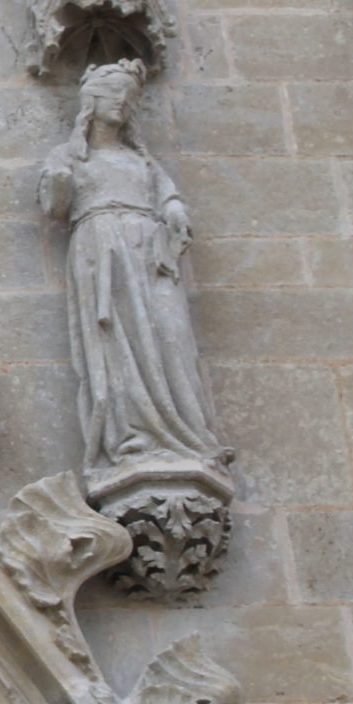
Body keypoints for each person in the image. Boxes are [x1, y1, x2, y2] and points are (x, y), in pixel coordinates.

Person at [38, 59, 227, 477]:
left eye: (129, 96)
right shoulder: (69, 155)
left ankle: (185, 434)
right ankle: (132, 437)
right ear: (91, 101)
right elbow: (54, 206)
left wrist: (174, 209)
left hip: (151, 254)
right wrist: (60, 176)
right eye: (114, 93)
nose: (123, 102)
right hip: (101, 249)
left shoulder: (141, 161)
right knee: (117, 345)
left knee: (170, 337)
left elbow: (167, 195)